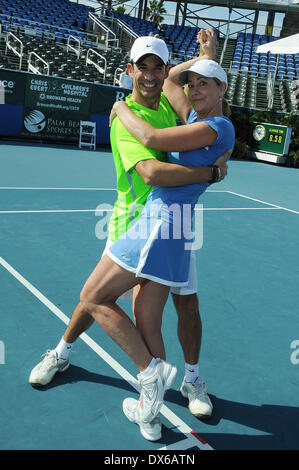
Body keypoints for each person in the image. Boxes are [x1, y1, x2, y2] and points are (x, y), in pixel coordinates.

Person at [29, 32, 230, 441]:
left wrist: (203, 60)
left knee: (165, 311)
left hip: (172, 224)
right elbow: (152, 171)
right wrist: (209, 173)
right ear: (129, 71)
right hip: (131, 222)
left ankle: (167, 392)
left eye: (159, 67)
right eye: (143, 66)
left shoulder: (176, 112)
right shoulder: (129, 116)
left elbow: (188, 86)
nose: (152, 75)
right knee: (96, 299)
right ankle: (64, 352)